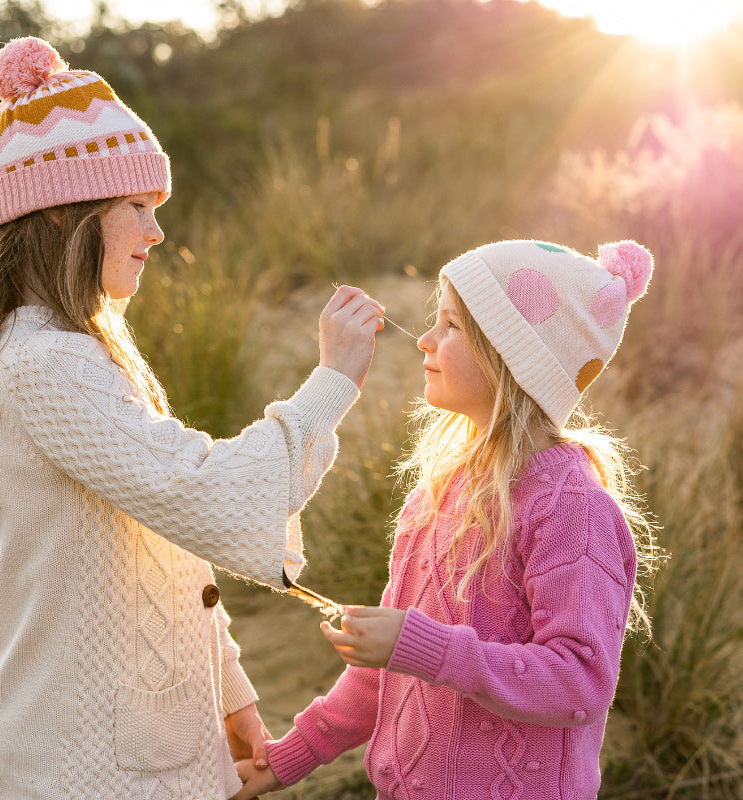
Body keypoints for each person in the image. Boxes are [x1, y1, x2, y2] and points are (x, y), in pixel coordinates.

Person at [0, 36, 385, 800]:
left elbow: (161, 533)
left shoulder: (72, 346)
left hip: (134, 753)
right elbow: (207, 499)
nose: (157, 232)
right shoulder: (45, 362)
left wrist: (229, 689)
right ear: (61, 214)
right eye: (137, 208)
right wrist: (331, 383)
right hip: (81, 774)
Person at [235, 239, 659, 799]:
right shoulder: (437, 494)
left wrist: (427, 649)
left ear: (512, 359)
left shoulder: (572, 508)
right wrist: (283, 761)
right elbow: (382, 675)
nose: (426, 342)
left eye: (452, 326)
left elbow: (578, 681)